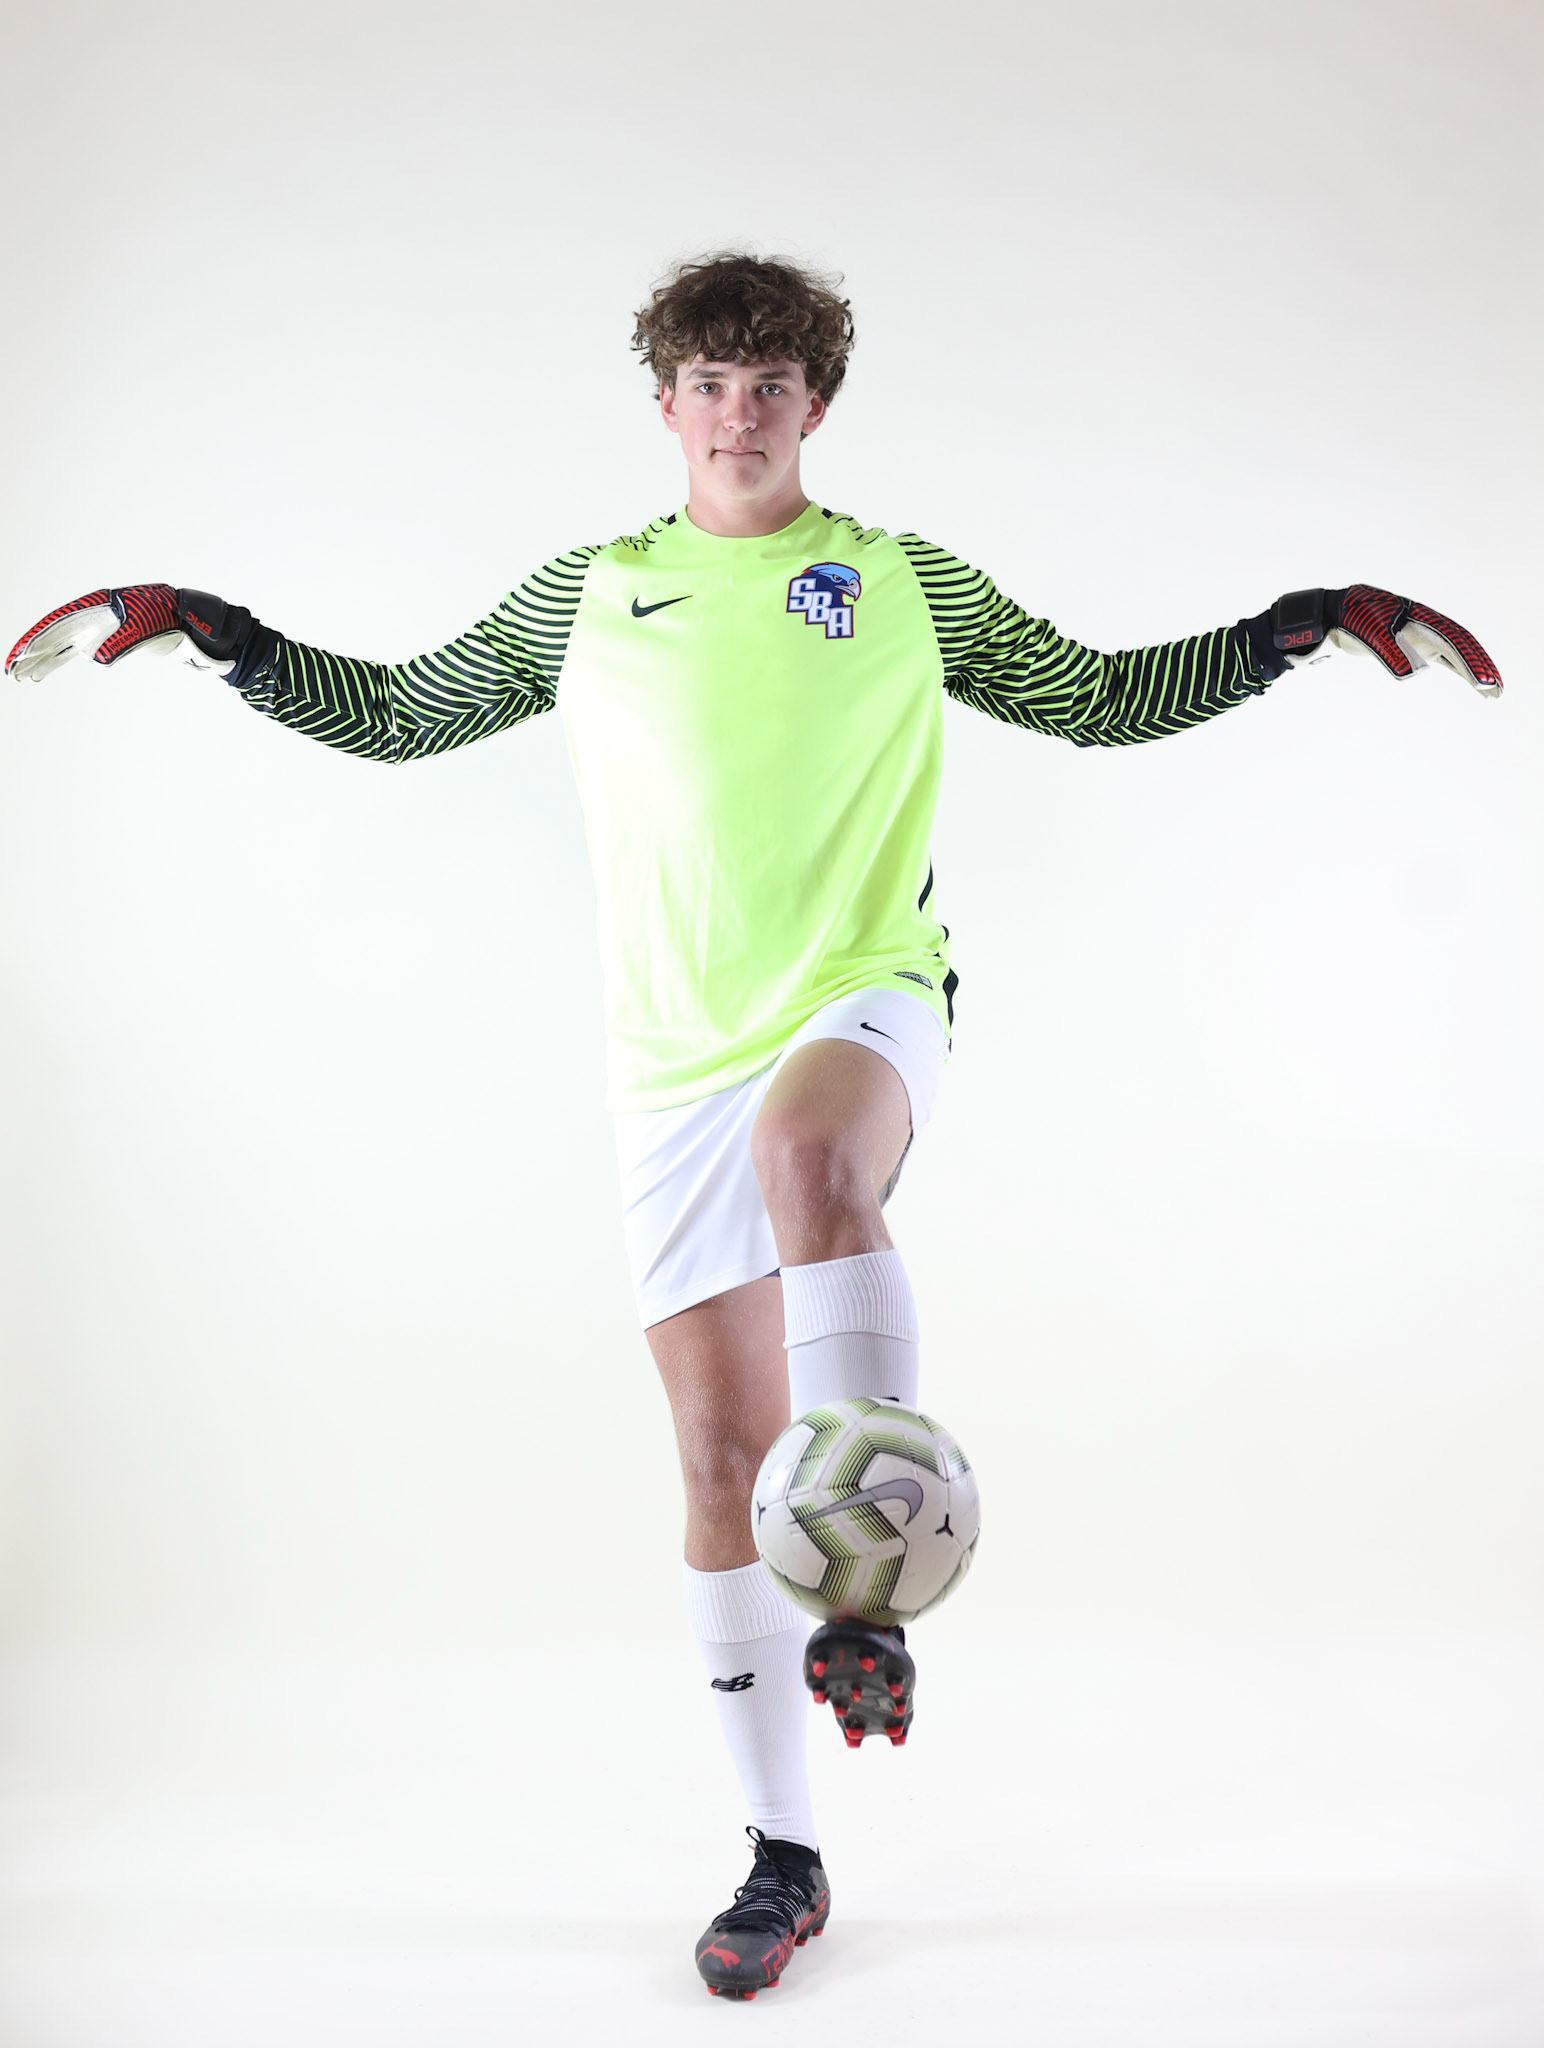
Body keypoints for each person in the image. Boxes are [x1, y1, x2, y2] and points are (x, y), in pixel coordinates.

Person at [4, 250, 1503, 2001]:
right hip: (666, 1057)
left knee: (814, 1162)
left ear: (817, 404)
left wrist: (1296, 626)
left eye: (772, 381)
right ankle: (783, 1860)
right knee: (720, 1472)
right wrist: (217, 630)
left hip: (868, 990)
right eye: (709, 381)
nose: (739, 410)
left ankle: (870, 1582)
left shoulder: (897, 577)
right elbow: (406, 715)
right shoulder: (595, 586)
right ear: (665, 404)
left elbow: (1095, 697)